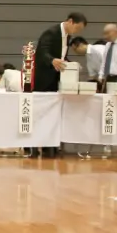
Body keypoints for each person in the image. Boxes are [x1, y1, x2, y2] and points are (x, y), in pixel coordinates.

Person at [34, 12, 87, 157]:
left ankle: (48, 146)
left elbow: (62, 56)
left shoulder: (68, 37)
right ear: (70, 21)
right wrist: (52, 60)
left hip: (56, 79)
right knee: (39, 112)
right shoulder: (51, 33)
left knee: (52, 114)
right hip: (43, 79)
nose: (77, 32)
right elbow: (42, 52)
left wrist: (71, 64)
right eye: (77, 28)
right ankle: (32, 146)